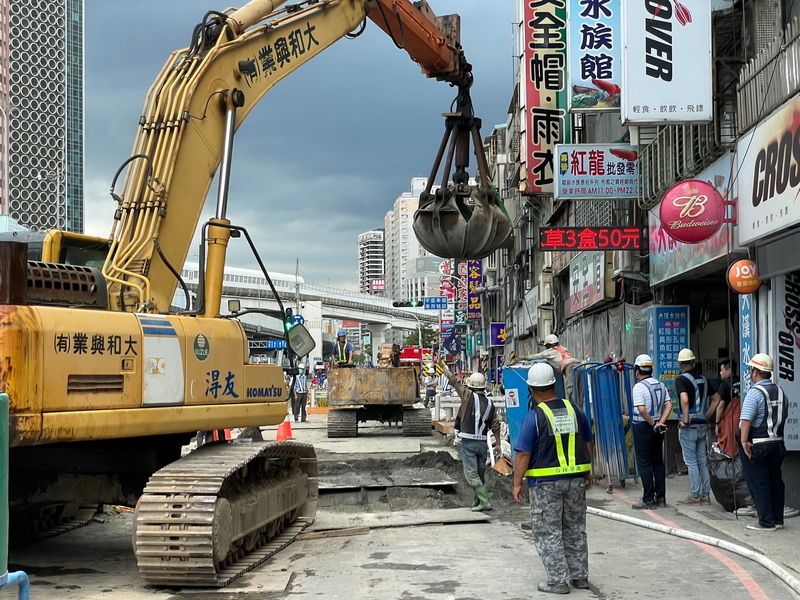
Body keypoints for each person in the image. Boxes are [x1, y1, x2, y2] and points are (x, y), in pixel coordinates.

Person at [513, 363, 593, 595]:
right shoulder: (574, 410)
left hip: (545, 485)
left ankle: (558, 581)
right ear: (554, 385)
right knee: (575, 527)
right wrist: (587, 469)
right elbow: (587, 441)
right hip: (576, 480)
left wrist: (517, 483)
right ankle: (580, 577)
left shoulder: (534, 418)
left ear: (531, 389)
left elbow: (523, 454)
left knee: (549, 531)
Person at [441, 360, 502, 512]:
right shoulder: (490, 404)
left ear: (471, 386)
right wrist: (499, 444)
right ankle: (477, 502)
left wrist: (445, 369)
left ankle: (485, 501)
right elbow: (495, 424)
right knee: (480, 475)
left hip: (469, 442)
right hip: (482, 444)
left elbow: (455, 382)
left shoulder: (468, 396)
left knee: (471, 475)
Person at [739, 353, 788, 531]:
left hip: (758, 443)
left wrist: (744, 441)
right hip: (778, 443)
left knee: (759, 482)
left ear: (755, 372)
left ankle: (765, 522)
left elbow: (746, 420)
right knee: (776, 481)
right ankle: (777, 519)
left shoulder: (755, 393)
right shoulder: (780, 391)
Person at [630, 354, 673, 509]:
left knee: (644, 463)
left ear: (637, 370)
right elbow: (669, 405)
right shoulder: (661, 385)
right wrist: (660, 422)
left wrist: (653, 423)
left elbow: (641, 409)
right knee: (657, 462)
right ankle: (661, 498)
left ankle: (648, 499)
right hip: (658, 428)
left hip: (643, 427)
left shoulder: (638, 387)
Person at [675, 348, 711, 505]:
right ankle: (705, 494)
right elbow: (717, 399)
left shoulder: (681, 380)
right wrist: (706, 416)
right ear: (693, 362)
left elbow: (684, 400)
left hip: (689, 427)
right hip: (703, 425)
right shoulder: (704, 379)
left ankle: (694, 495)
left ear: (680, 364)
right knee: (702, 460)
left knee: (691, 461)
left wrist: (686, 419)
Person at [525, 334, 580, 401]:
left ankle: (574, 408)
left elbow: (535, 356)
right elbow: (558, 359)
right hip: (579, 365)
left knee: (571, 390)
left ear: (548, 345)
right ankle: (580, 408)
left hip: (570, 367)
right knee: (580, 390)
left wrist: (524, 357)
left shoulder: (548, 352)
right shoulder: (563, 349)